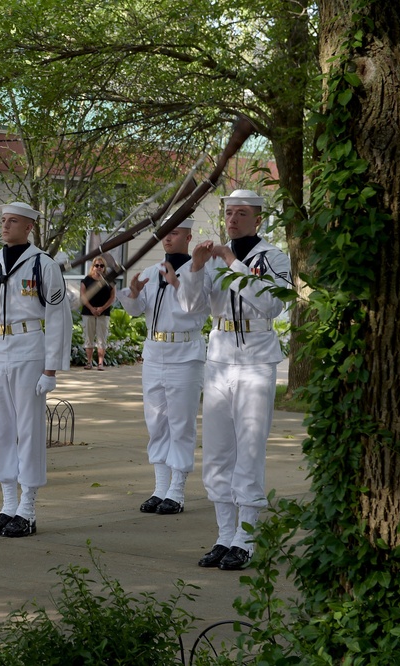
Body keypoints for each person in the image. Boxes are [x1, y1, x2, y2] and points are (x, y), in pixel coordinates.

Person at [169, 190, 292, 571]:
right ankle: (224, 534)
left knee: (249, 448)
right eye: (228, 213)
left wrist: (231, 262)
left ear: (258, 219)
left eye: (241, 213)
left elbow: (272, 303)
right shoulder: (212, 258)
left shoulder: (273, 257)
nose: (233, 220)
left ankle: (246, 537)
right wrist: (195, 268)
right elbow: (191, 307)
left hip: (256, 359)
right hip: (220, 358)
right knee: (218, 451)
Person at [0, 201, 72, 538]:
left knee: (28, 429)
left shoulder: (44, 265)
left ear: (29, 227)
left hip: (30, 347)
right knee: (0, 429)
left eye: (13, 221)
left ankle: (27, 508)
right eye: (3, 220)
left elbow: (58, 318)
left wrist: (51, 370)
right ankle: (7, 505)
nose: (5, 226)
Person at [119, 218, 208, 516]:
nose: (167, 239)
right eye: (165, 234)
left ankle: (177, 490)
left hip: (185, 353)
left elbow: (196, 306)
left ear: (188, 237)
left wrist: (177, 282)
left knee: (180, 423)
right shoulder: (150, 272)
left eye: (175, 233)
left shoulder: (198, 271)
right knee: (156, 422)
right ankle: (160, 488)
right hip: (155, 353)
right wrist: (133, 294)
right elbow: (136, 311)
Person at [80, 257, 116, 370]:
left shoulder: (109, 280)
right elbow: (83, 296)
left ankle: (100, 363)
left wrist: (102, 308)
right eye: (97, 265)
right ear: (93, 267)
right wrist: (92, 309)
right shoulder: (86, 280)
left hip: (103, 313)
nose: (99, 267)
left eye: (102, 265)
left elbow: (112, 297)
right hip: (88, 312)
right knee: (89, 338)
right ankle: (89, 362)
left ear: (104, 267)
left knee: (102, 338)